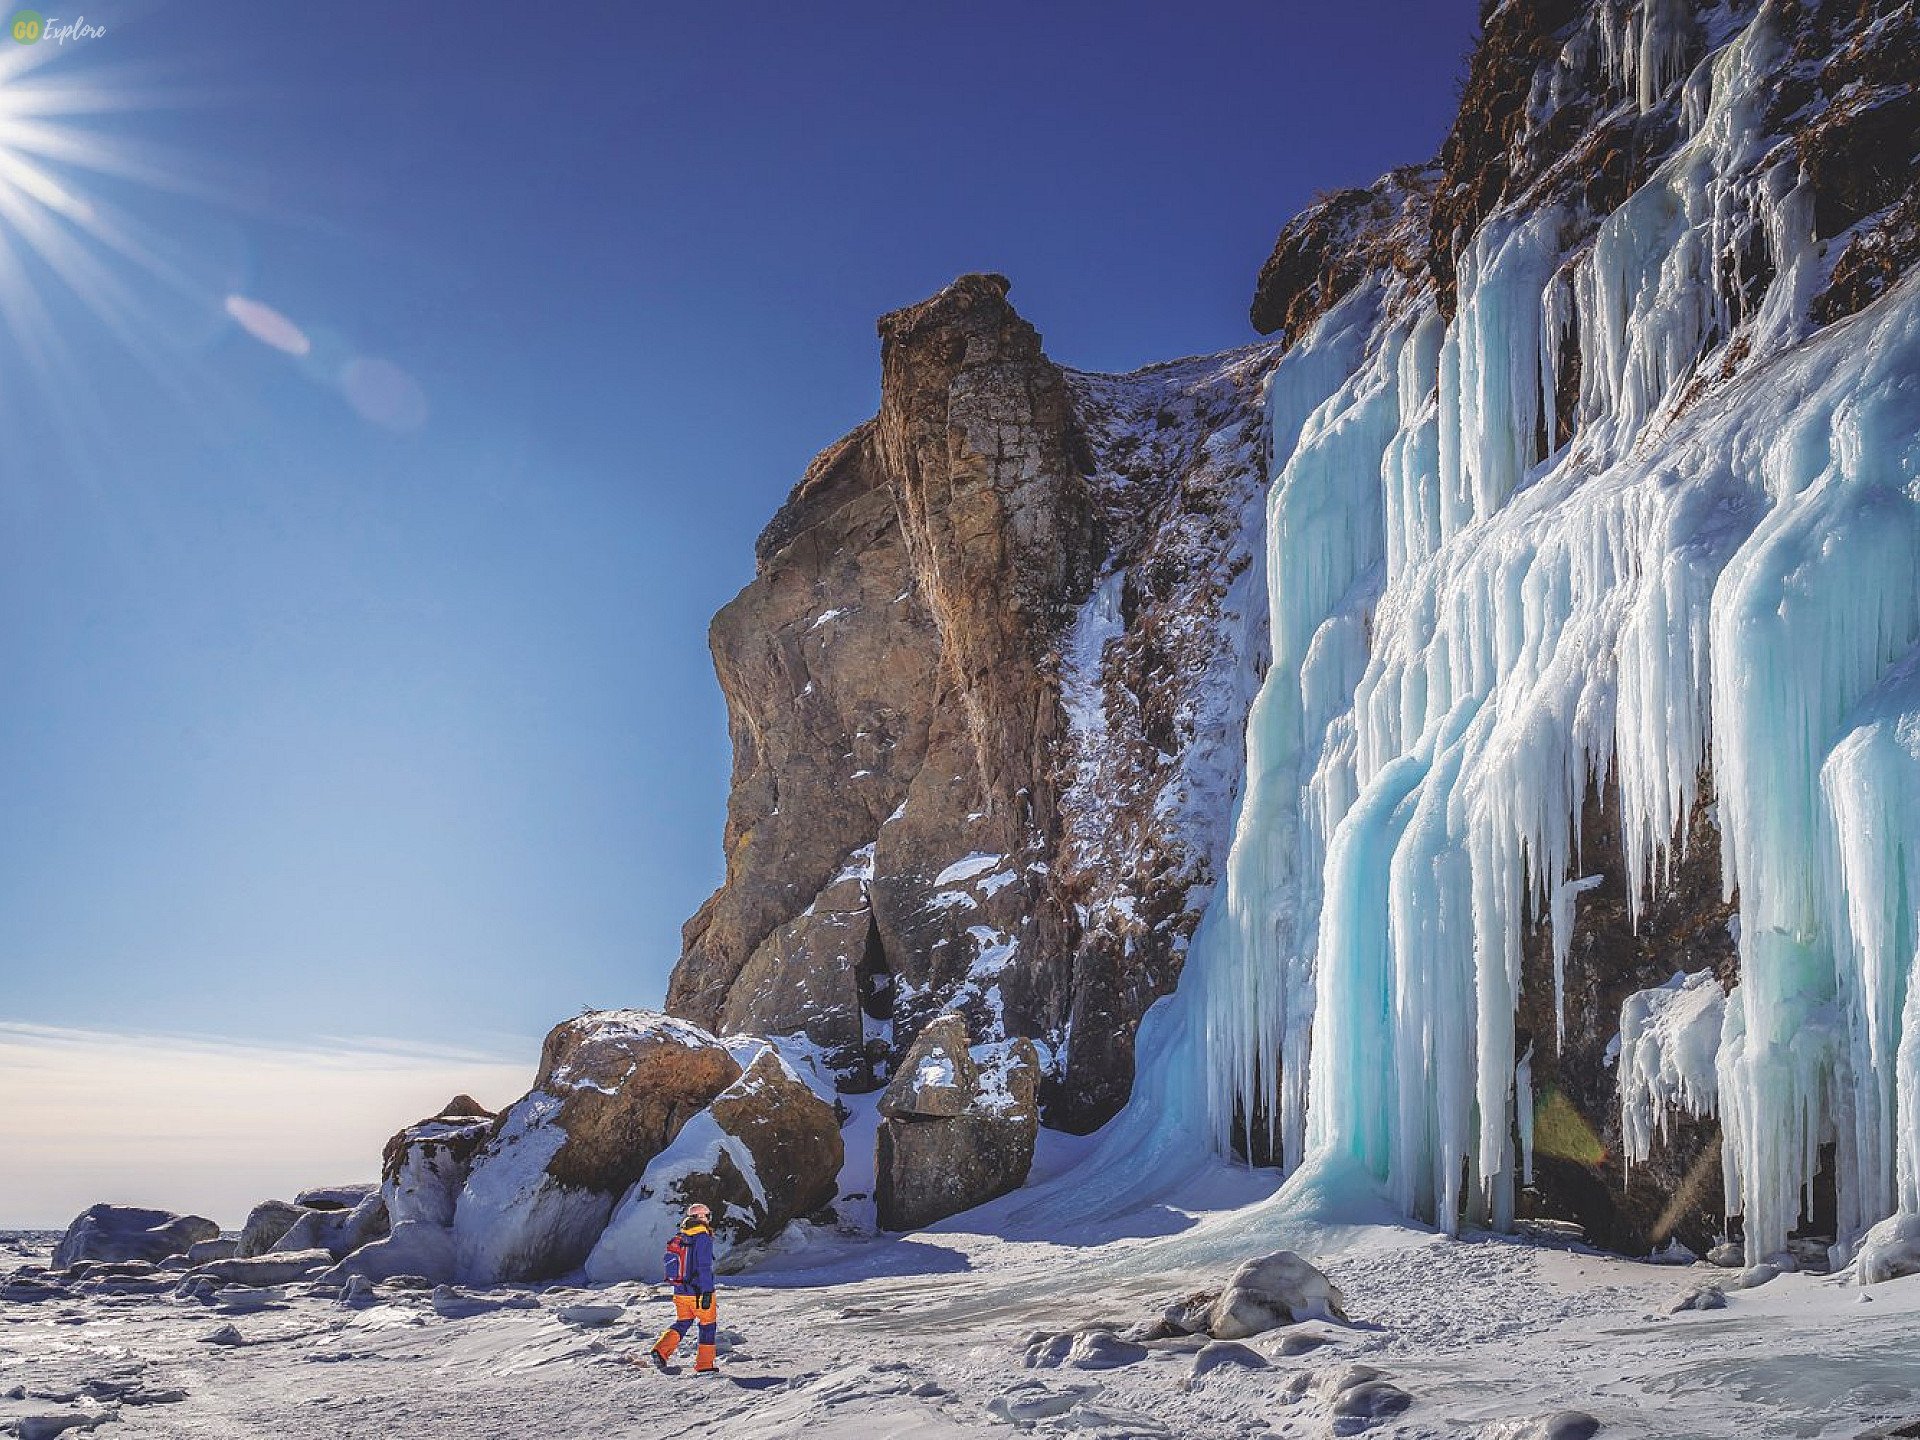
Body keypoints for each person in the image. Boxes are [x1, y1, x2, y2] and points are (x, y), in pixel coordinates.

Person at [649, 1203, 719, 1374]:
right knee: (707, 1325)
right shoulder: (702, 1236)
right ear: (701, 1217)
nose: (708, 1219)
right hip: (698, 1292)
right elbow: (703, 1266)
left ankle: (661, 1350)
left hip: (680, 1291)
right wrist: (707, 1291)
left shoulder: (682, 1236)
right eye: (706, 1216)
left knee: (683, 1322)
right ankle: (704, 1365)